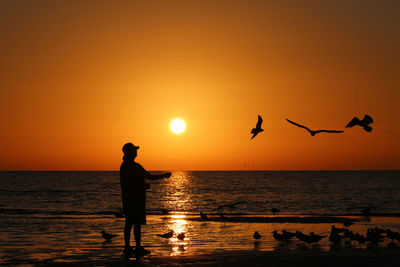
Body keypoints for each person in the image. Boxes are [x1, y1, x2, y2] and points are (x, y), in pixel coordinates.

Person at [120, 142, 171, 257]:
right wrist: (164, 175)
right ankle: (136, 247)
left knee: (129, 223)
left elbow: (128, 184)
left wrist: (141, 186)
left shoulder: (124, 166)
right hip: (135, 199)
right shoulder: (134, 166)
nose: (136, 152)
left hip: (128, 199)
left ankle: (128, 247)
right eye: (134, 150)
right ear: (130, 152)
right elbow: (150, 177)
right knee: (135, 224)